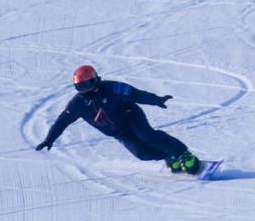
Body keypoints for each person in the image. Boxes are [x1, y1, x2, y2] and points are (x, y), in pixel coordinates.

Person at [35, 65, 201, 173]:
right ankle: (169, 156)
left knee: (147, 136)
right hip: (119, 132)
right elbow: (62, 121)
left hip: (131, 116)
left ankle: (183, 154)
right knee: (141, 153)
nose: (85, 90)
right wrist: (49, 139)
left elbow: (135, 94)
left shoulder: (111, 88)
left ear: (95, 80)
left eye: (87, 85)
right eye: (80, 87)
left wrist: (156, 100)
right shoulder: (78, 104)